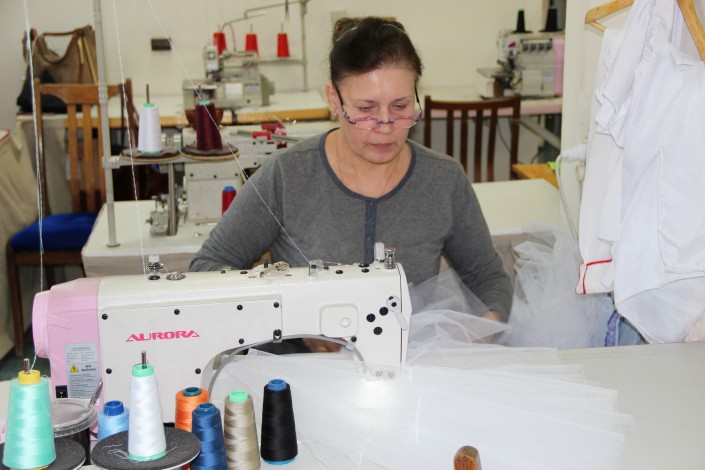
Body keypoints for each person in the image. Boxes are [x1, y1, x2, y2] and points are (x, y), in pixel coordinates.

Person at [189, 16, 512, 351]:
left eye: (400, 106)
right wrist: (296, 322)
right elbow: (207, 269)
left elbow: (488, 278)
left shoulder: (443, 180)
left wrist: (482, 327)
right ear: (334, 99)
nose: (385, 125)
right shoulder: (287, 175)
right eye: (366, 108)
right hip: (301, 371)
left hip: (408, 366)